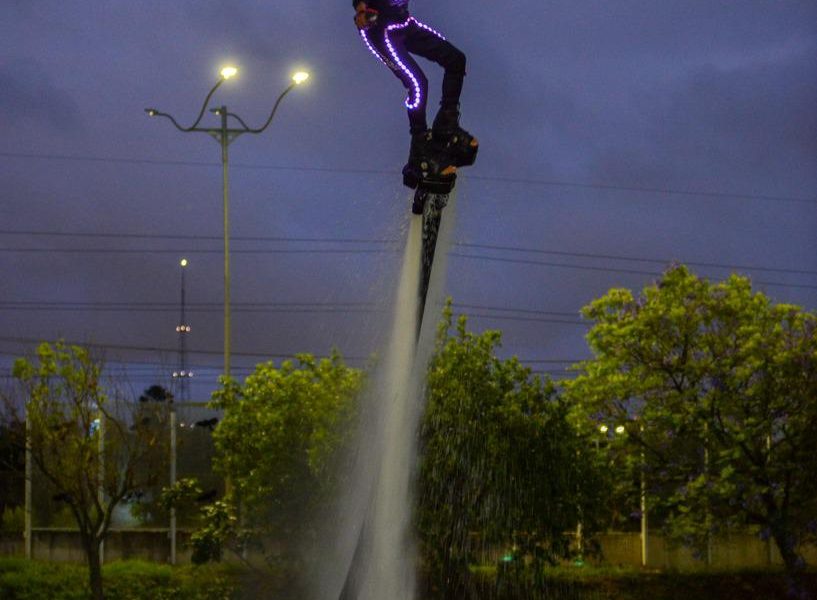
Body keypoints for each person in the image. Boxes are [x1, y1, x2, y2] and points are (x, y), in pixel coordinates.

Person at [353, 0, 477, 187]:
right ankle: (420, 149)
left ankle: (446, 123)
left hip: (404, 24)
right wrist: (361, 9)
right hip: (380, 30)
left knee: (456, 60)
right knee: (417, 84)